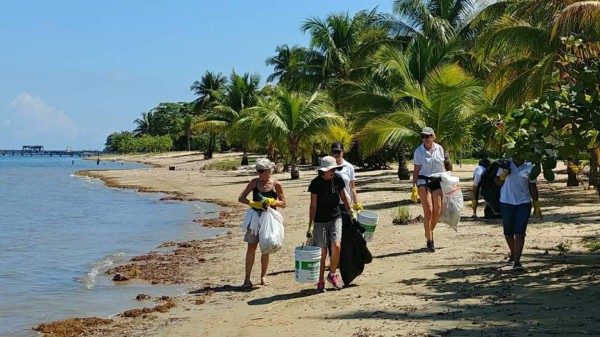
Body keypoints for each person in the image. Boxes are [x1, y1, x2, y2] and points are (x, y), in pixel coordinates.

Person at [238, 158, 286, 288]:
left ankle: (263, 276)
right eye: (258, 171)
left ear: (269, 170)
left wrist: (272, 202)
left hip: (269, 218)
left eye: (262, 171)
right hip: (255, 218)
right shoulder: (254, 182)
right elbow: (241, 198)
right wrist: (253, 203)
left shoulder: (276, 184)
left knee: (266, 247)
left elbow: (284, 203)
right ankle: (247, 279)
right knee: (251, 247)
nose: (260, 173)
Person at [307, 156, 353, 292]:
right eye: (331, 170)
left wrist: (351, 211)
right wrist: (311, 223)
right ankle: (320, 281)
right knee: (323, 251)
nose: (333, 172)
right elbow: (313, 205)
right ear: (323, 171)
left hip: (335, 217)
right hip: (320, 220)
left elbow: (343, 196)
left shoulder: (338, 179)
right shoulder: (315, 183)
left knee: (336, 246)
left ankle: (332, 275)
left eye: (334, 169)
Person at [495, 155, 542, 270]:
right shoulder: (505, 164)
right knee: (508, 232)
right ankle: (513, 252)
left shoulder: (530, 166)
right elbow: (497, 183)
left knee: (520, 232)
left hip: (523, 202)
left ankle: (517, 262)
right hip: (506, 202)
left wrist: (536, 203)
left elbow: (532, 185)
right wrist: (503, 175)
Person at [411, 127, 452, 252]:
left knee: (437, 211)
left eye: (428, 136)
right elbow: (416, 170)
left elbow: (446, 167)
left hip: (437, 180)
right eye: (423, 136)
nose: (425, 139)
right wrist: (414, 186)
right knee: (428, 210)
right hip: (423, 181)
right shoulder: (419, 151)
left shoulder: (440, 149)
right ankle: (430, 240)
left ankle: (428, 231)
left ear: (433, 136)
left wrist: (450, 181)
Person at [330, 142, 363, 224]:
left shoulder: (349, 167)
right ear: (331, 153)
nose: (336, 154)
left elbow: (352, 187)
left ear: (342, 152)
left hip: (346, 204)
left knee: (347, 229)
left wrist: (357, 203)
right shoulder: (327, 168)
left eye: (338, 152)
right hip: (332, 204)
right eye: (334, 152)